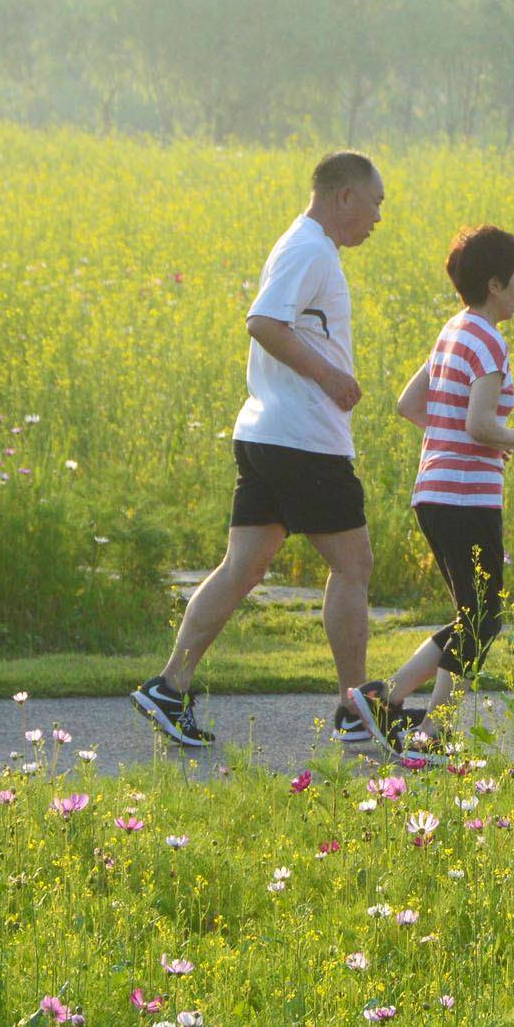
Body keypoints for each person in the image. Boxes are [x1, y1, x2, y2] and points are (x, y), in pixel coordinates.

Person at [131, 152, 385, 746]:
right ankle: (355, 708)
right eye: (376, 201)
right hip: (302, 440)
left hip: (270, 434)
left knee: (243, 567)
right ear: (344, 196)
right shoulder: (308, 249)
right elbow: (264, 323)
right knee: (354, 565)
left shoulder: (307, 246)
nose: (379, 216)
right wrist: (329, 376)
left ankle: (170, 687)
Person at [344, 224, 514, 754]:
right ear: (496, 285)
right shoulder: (491, 342)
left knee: (473, 617)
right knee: (483, 619)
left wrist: (457, 442)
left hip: (435, 491)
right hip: (467, 498)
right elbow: (479, 425)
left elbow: (411, 405)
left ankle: (422, 724)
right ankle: (394, 702)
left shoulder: (452, 331)